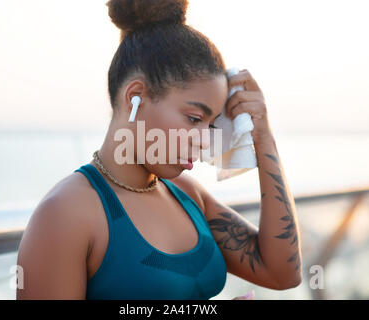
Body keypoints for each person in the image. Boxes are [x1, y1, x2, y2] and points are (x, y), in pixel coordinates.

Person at [16, 0, 302, 300]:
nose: (204, 141)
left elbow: (282, 272)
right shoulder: (66, 213)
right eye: (194, 119)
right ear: (135, 96)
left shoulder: (186, 194)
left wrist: (262, 134)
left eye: (211, 125)